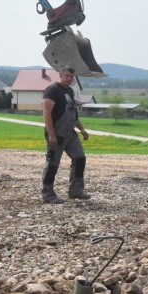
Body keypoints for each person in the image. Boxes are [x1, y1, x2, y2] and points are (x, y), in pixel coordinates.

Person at [41, 67, 90, 204]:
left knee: (80, 158)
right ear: (60, 75)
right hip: (57, 133)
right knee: (52, 164)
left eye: (72, 76)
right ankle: (48, 194)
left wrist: (82, 130)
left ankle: (75, 191)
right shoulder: (52, 90)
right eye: (67, 75)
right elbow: (46, 114)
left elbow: (72, 114)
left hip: (70, 133)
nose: (69, 78)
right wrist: (52, 135)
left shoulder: (69, 91)